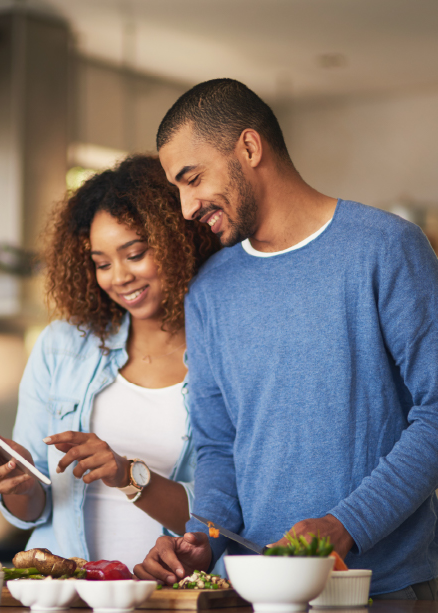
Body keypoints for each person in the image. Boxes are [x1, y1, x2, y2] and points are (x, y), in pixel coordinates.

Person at [134, 79, 438, 599]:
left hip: (380, 590)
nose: (186, 208)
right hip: (253, 592)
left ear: (249, 148)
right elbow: (219, 446)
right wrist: (201, 536)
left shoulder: (386, 249)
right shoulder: (209, 291)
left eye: (193, 178)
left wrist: (345, 525)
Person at [0, 154, 219, 571]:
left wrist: (127, 473)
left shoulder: (224, 353)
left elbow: (221, 520)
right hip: (68, 594)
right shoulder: (62, 347)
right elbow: (34, 508)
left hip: (168, 594)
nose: (117, 277)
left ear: (179, 241)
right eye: (101, 263)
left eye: (135, 254)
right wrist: (18, 481)